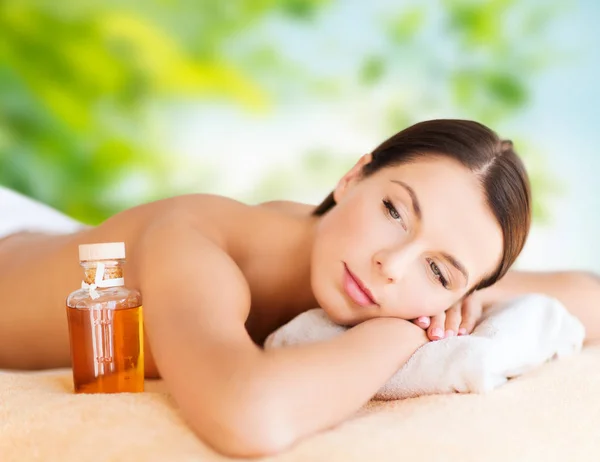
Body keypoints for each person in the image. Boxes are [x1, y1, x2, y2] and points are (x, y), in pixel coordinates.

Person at [0, 119, 598, 457]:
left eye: (440, 270)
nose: (393, 263)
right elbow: (248, 415)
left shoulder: (375, 268)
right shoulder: (197, 242)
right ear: (352, 177)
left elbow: (586, 294)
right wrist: (399, 334)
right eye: (395, 210)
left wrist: (456, 295)